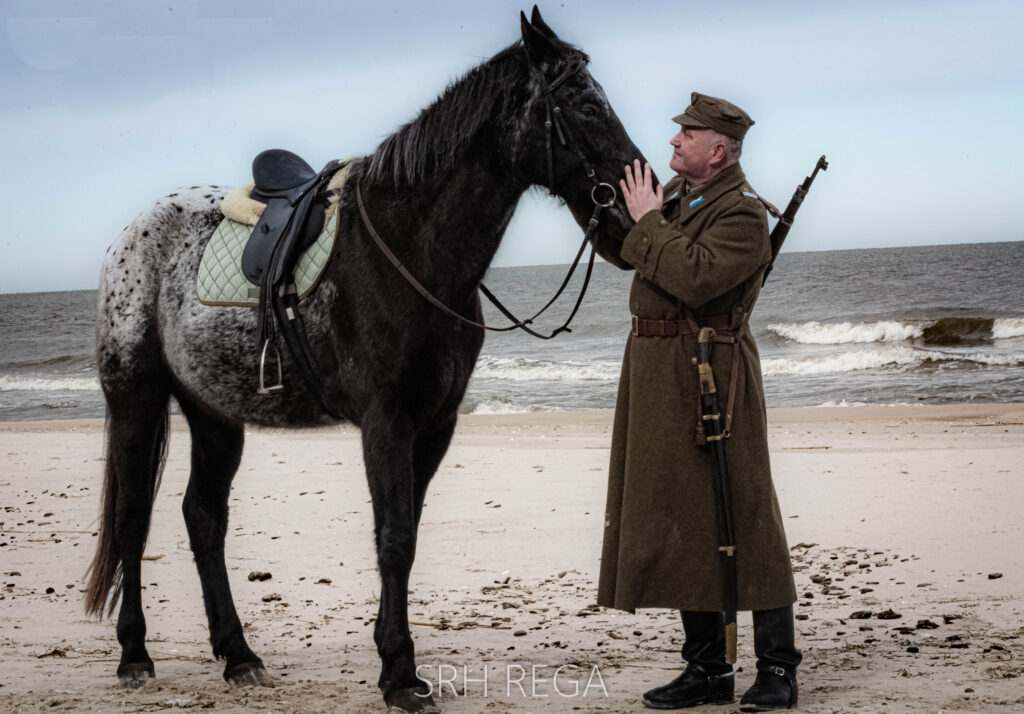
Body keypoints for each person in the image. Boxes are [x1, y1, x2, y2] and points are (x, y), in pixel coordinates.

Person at [597, 92, 802, 711]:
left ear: (718, 149)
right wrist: (634, 215)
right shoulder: (681, 201)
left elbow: (693, 277)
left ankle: (777, 669)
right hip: (660, 375)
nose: (673, 143)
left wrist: (647, 221)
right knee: (688, 518)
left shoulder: (741, 215)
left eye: (685, 134)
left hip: (716, 377)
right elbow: (649, 260)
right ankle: (708, 669)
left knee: (746, 515)